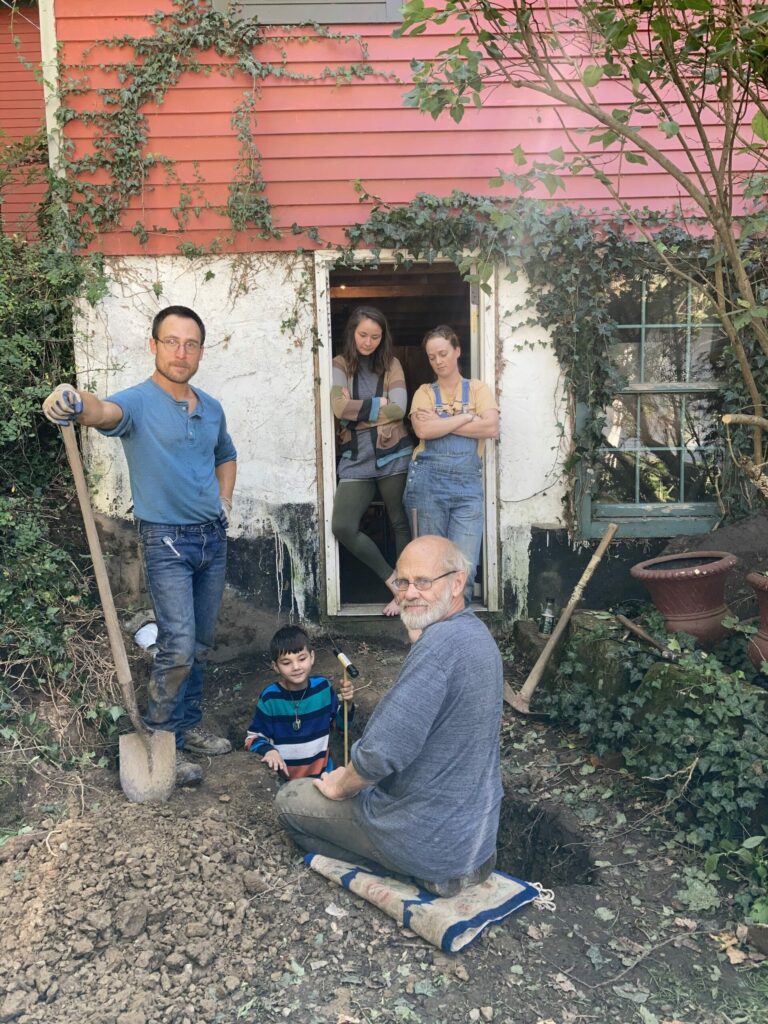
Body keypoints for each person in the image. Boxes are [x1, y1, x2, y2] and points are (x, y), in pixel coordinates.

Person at [42, 305, 237, 787]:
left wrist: (225, 501)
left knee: (200, 643)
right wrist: (71, 398)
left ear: (201, 352)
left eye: (190, 344)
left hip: (212, 537)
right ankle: (160, 735)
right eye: (171, 342)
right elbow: (101, 411)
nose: (181, 352)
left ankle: (187, 726)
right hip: (166, 540)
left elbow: (226, 454)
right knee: (178, 645)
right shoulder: (139, 402)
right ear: (153, 346)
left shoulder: (211, 407)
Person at [274, 536, 503, 897]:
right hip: (476, 841)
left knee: (290, 800)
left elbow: (380, 754)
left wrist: (338, 785)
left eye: (423, 582)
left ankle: (401, 869)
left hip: (429, 845)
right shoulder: (476, 634)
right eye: (402, 582)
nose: (409, 593)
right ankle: (425, 864)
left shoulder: (438, 650)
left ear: (458, 582)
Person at [404, 325, 499, 605]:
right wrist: (467, 418)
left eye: (443, 353)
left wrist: (442, 422)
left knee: (463, 569)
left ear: (457, 351)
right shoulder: (424, 392)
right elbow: (423, 430)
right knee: (430, 568)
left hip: (467, 490)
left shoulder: (478, 389)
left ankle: (458, 625)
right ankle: (432, 626)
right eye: (432, 357)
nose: (438, 361)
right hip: (427, 487)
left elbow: (491, 427)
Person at [331, 306, 412, 616]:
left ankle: (405, 591)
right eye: (363, 335)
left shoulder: (392, 364)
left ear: (383, 337)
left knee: (399, 522)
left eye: (375, 337)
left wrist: (357, 414)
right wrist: (379, 403)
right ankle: (392, 580)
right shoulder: (340, 365)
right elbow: (339, 409)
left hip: (394, 454)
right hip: (356, 458)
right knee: (342, 526)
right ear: (353, 332)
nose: (368, 342)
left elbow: (399, 409)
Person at [245, 625, 355, 780]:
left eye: (302, 659)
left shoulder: (323, 689)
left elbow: (341, 726)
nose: (296, 667)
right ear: (275, 666)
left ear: (312, 657)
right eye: (286, 663)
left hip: (324, 778)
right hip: (286, 784)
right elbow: (253, 738)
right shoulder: (270, 698)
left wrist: (348, 705)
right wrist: (269, 751)